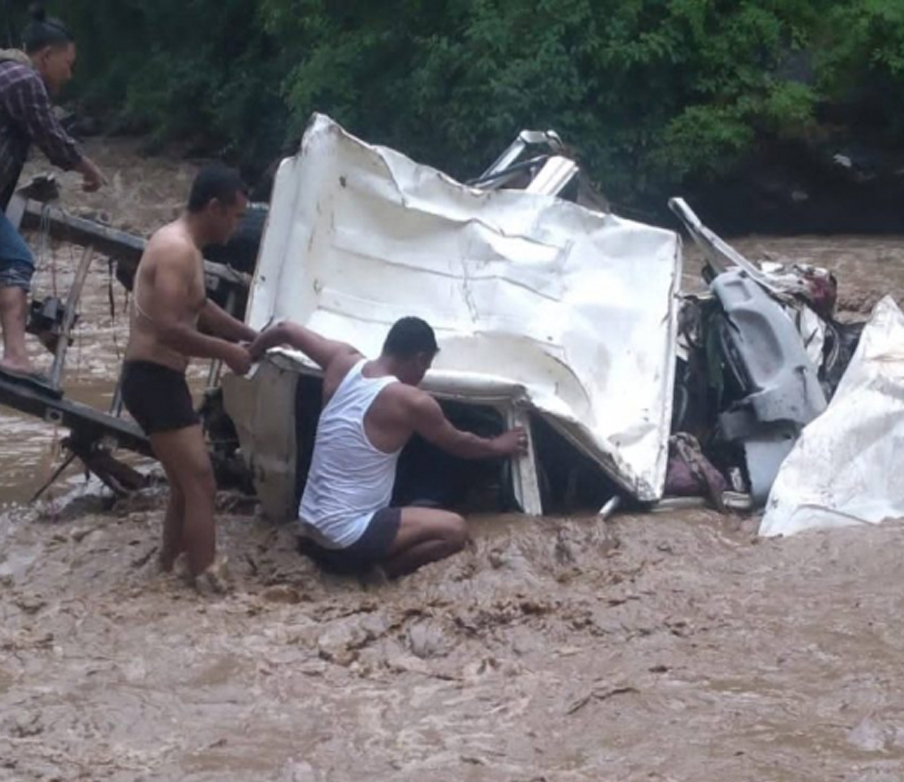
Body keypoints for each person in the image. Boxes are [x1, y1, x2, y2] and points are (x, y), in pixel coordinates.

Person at [247, 317, 528, 578]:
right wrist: (497, 445)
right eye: (426, 367)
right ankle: (380, 572)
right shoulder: (411, 402)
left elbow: (285, 329)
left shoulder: (341, 360)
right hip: (346, 541)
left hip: (309, 528)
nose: (423, 375)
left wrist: (250, 353)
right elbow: (459, 443)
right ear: (420, 359)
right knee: (455, 530)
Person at [121, 164, 259, 589]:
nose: (238, 227)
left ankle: (166, 567)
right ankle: (206, 577)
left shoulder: (190, 249)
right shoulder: (177, 250)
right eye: (236, 216)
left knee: (185, 483)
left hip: (160, 379)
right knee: (202, 482)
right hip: (152, 379)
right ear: (213, 208)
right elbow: (168, 329)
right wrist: (229, 353)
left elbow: (201, 309)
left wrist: (252, 335)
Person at [0, 5, 106, 376]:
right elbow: (51, 137)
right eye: (68, 63)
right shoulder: (23, 80)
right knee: (16, 261)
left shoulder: (7, 75)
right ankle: (15, 355)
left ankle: (27, 335)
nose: (69, 73)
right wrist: (88, 168)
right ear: (46, 56)